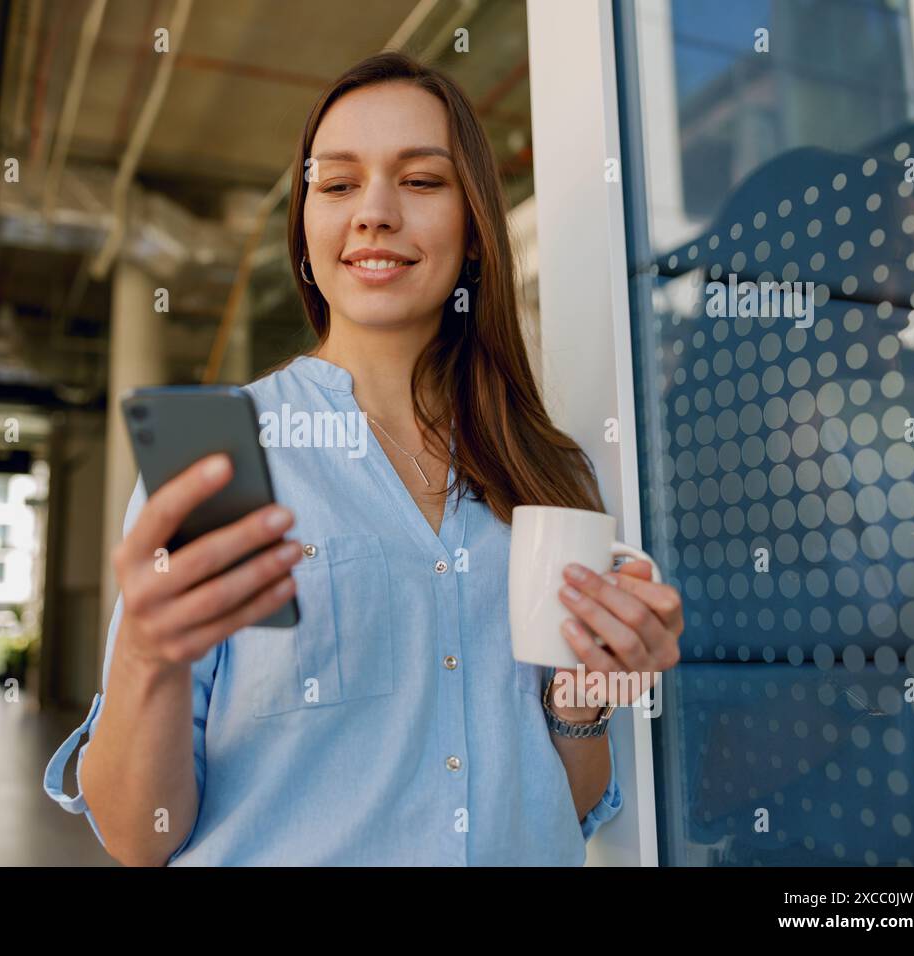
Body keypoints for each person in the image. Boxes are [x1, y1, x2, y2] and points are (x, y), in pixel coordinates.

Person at [44, 51, 684, 865]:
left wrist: (591, 689)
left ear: (476, 231)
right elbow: (140, 839)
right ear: (306, 234)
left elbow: (569, 802)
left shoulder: (549, 472)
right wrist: (144, 653)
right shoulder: (216, 457)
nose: (374, 213)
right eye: (338, 184)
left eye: (421, 181)